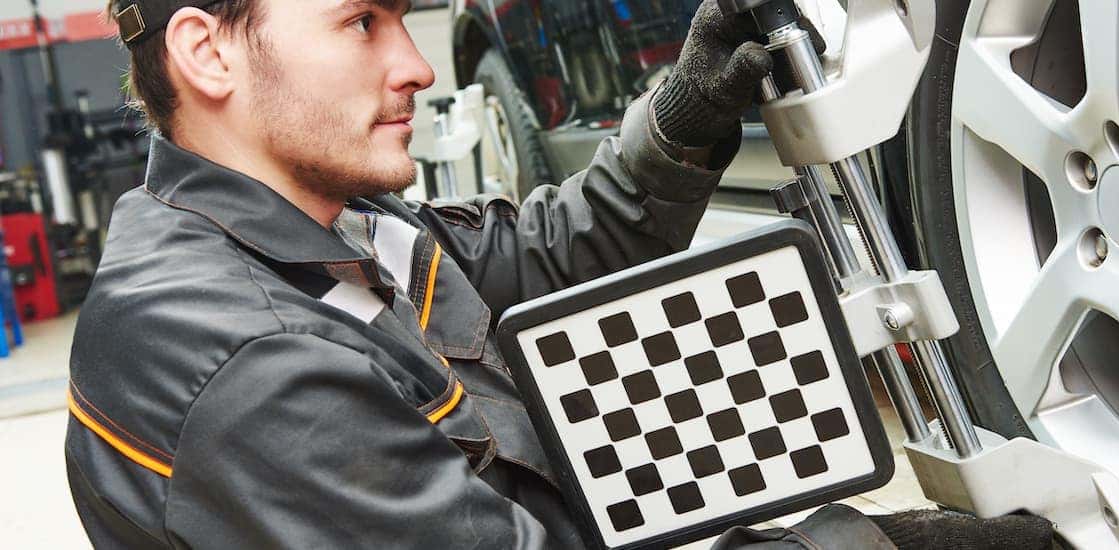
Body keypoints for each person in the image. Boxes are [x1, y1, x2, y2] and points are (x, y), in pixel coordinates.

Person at [66, 0, 1053, 547]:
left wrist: (688, 108)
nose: (416, 65)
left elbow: (532, 258)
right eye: (361, 21)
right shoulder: (246, 361)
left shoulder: (318, 222)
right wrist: (864, 547)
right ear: (207, 52)